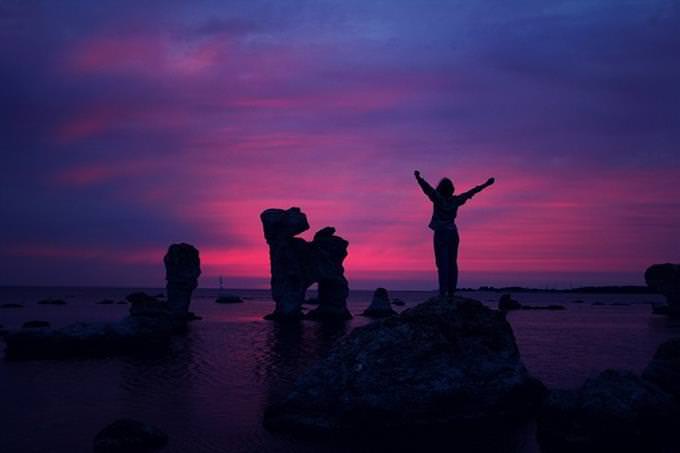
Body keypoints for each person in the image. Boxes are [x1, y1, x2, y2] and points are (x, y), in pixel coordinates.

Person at [414, 170, 495, 300]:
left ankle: (443, 292)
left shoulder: (438, 198)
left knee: (442, 263)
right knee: (452, 262)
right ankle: (451, 291)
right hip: (453, 233)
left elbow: (427, 189)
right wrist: (486, 184)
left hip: (441, 233)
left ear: (440, 189)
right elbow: (471, 192)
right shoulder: (456, 200)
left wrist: (418, 178)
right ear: (451, 189)